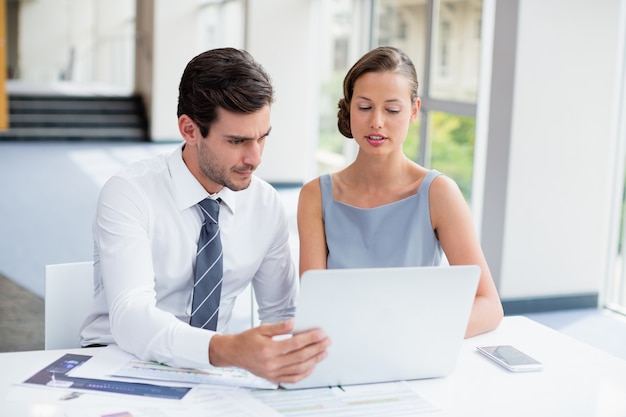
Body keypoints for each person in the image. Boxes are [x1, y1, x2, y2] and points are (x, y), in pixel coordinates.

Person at [80, 47, 329, 383]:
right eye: (238, 140)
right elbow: (131, 318)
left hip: (205, 374)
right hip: (117, 363)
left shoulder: (264, 203)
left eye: (262, 138)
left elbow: (281, 315)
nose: (254, 158)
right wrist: (226, 350)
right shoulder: (130, 192)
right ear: (190, 130)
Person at [297, 46, 503, 337]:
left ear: (414, 111)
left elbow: (489, 305)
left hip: (415, 349)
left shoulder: (438, 193)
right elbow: (314, 306)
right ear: (349, 107)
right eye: (365, 107)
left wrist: (418, 332)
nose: (376, 122)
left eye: (392, 110)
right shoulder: (315, 196)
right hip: (342, 349)